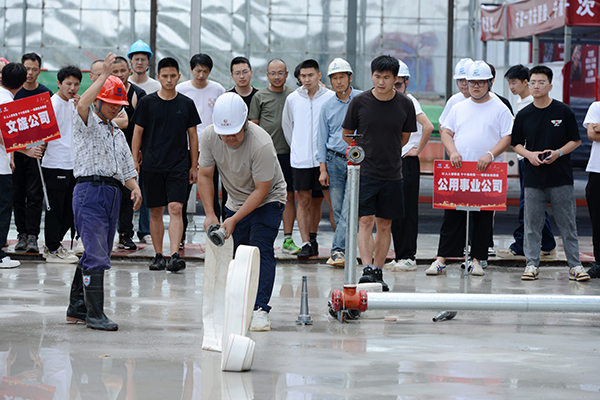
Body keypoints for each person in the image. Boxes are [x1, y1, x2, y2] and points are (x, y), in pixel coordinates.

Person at [198, 92, 286, 331]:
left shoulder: (261, 143)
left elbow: (261, 190)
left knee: (259, 249)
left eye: (234, 133)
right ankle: (240, 304)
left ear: (246, 121)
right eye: (224, 134)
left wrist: (234, 219)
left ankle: (260, 309)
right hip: (235, 200)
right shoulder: (210, 136)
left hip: (268, 199)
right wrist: (210, 214)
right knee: (238, 254)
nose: (229, 138)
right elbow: (204, 175)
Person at [68, 53, 142, 331]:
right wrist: (104, 76)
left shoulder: (117, 133)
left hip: (112, 194)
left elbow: (126, 166)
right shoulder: (85, 122)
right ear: (99, 101)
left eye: (119, 105)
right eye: (110, 103)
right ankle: (95, 313)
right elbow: (83, 103)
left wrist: (135, 188)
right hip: (90, 190)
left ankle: (77, 308)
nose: (115, 109)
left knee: (97, 251)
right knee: (96, 253)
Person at [426, 61, 512, 277]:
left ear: (490, 82)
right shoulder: (458, 107)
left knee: (483, 218)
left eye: (480, 82)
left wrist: (490, 155)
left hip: (487, 172)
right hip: (459, 169)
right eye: (471, 82)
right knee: (452, 215)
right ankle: (441, 259)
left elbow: (507, 137)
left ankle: (477, 260)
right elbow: (446, 131)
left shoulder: (500, 108)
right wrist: (452, 151)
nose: (475, 86)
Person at [341, 55, 417, 290]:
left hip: (393, 173)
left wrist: (388, 151)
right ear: (371, 76)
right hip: (364, 172)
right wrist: (365, 151)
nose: (381, 81)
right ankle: (366, 269)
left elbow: (404, 137)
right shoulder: (359, 102)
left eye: (386, 77)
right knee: (365, 221)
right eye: (377, 76)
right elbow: (347, 134)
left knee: (385, 224)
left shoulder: (405, 104)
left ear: (395, 79)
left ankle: (378, 269)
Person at [511, 65, 589, 281]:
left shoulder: (563, 111)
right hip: (533, 178)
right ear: (528, 85)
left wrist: (558, 153)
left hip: (560, 177)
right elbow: (516, 144)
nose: (536, 86)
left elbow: (576, 140)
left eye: (541, 82)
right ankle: (531, 264)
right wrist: (529, 155)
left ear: (550, 86)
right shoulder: (524, 114)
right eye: (533, 82)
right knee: (532, 225)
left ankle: (575, 266)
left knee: (568, 224)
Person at [132, 57, 200, 272]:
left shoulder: (186, 103)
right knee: (155, 211)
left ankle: (175, 255)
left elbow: (193, 136)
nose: (169, 80)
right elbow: (137, 132)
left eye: (172, 76)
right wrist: (134, 161)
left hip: (179, 165)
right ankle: (159, 255)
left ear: (179, 76)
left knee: (176, 208)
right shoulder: (147, 102)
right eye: (165, 76)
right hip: (152, 164)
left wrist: (194, 165)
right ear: (158, 77)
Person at [498, 64, 557, 260]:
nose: (511, 86)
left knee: (528, 204)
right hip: (524, 159)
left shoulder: (534, 102)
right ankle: (547, 244)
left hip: (534, 160)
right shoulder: (520, 101)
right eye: (509, 82)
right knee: (532, 204)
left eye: (514, 82)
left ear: (525, 82)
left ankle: (521, 245)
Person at [282, 59, 335, 258]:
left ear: (319, 76)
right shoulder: (293, 99)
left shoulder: (330, 97)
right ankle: (306, 243)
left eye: (310, 75)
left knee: (329, 201)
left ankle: (339, 246)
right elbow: (288, 127)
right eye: (303, 76)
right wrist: (298, 148)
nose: (306, 79)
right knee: (303, 201)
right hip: (301, 160)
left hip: (325, 160)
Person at [249, 59, 300, 254]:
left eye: (280, 73)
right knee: (260, 194)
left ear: (287, 74)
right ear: (267, 75)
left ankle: (287, 239)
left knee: (288, 195)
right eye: (273, 73)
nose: (277, 77)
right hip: (266, 155)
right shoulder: (260, 96)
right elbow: (253, 126)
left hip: (289, 154)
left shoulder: (294, 96)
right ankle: (258, 236)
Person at [386, 59, 434, 272]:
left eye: (398, 84)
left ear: (406, 82)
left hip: (407, 161)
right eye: (391, 82)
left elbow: (428, 126)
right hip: (391, 161)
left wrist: (417, 149)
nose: (394, 87)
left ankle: (408, 256)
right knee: (393, 210)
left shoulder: (409, 101)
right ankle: (399, 255)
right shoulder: (389, 101)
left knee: (407, 210)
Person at [317, 58, 362, 267]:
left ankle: (337, 250)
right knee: (337, 209)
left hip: (356, 160)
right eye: (334, 78)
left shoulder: (362, 99)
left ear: (350, 78)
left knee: (348, 208)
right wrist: (322, 169)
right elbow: (321, 138)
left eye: (342, 77)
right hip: (333, 159)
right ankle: (347, 251)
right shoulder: (327, 106)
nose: (338, 82)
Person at [176, 53, 226, 231]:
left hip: (212, 147)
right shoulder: (182, 89)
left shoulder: (218, 89)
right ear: (191, 69)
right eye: (198, 70)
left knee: (211, 191)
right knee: (182, 193)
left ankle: (216, 230)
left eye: (205, 71)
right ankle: (180, 234)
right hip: (187, 147)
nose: (201, 75)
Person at [12, 52, 53, 254]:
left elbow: (51, 125)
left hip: (37, 153)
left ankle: (33, 236)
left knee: (35, 195)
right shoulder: (14, 93)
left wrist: (43, 145)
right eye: (27, 68)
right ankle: (21, 234)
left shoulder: (46, 94)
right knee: (17, 194)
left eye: (34, 69)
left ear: (39, 71)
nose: (30, 73)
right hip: (17, 153)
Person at [42, 65, 82, 264]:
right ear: (59, 83)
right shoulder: (53, 103)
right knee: (56, 209)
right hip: (55, 163)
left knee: (70, 209)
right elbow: (42, 133)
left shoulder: (75, 104)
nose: (72, 88)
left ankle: (55, 244)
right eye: (68, 84)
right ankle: (51, 248)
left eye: (76, 84)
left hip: (73, 164)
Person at [110, 56, 147, 251]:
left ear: (129, 71)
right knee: (107, 194)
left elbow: (141, 127)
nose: (119, 75)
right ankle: (105, 233)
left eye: (122, 70)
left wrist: (137, 153)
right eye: (114, 71)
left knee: (128, 194)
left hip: (129, 151)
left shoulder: (137, 94)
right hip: (107, 151)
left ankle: (125, 234)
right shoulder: (104, 91)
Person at [0, 62, 26, 268]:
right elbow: (4, 135)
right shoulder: (8, 103)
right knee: (2, 210)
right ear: (22, 83)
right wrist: (23, 150)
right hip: (0, 169)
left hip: (3, 163)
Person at [583, 101, 600, 278]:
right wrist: (596, 130)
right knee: (597, 218)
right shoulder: (596, 107)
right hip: (597, 170)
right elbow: (591, 135)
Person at [438, 58, 473, 132]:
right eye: (460, 80)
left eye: (467, 80)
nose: (464, 83)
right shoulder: (454, 100)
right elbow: (442, 124)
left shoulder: (488, 100)